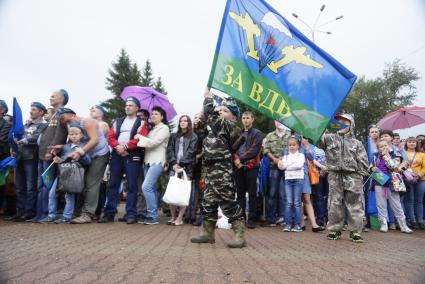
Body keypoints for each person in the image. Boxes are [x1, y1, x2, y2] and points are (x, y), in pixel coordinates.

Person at [191, 89, 246, 248]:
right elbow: (201, 134)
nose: (220, 111)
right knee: (208, 201)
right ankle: (208, 233)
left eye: (225, 110)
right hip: (208, 168)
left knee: (227, 201)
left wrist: (208, 100)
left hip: (222, 169)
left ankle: (240, 234)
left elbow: (213, 117)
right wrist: (200, 122)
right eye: (220, 109)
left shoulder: (230, 127)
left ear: (233, 117)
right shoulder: (216, 127)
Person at [55, 108, 110, 224]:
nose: (63, 122)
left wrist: (79, 152)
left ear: (72, 115)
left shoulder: (87, 122)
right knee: (82, 182)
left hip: (99, 155)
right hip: (87, 156)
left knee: (91, 183)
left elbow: (94, 140)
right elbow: (77, 141)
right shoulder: (72, 125)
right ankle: (81, 212)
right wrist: (62, 146)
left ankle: (87, 214)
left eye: (63, 118)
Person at [98, 97, 148, 224]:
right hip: (117, 155)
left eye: (131, 105)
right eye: (126, 105)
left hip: (132, 155)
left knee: (132, 186)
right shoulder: (118, 121)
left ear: (137, 108)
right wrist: (118, 147)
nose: (127, 107)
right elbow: (111, 136)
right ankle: (109, 213)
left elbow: (140, 138)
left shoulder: (142, 123)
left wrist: (125, 147)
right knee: (113, 184)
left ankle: (131, 214)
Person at [320, 114, 369, 243]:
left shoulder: (357, 143)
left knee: (355, 204)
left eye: (345, 122)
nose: (341, 124)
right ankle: (335, 229)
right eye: (338, 122)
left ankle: (355, 232)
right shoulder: (328, 139)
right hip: (335, 175)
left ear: (351, 126)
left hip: (352, 176)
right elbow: (314, 138)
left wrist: (360, 175)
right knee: (334, 203)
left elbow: (363, 161)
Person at [32, 89, 69, 223]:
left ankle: (47, 213)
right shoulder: (53, 114)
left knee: (46, 185)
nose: (50, 98)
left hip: (49, 154)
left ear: (62, 99)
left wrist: (52, 150)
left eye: (53, 96)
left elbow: (60, 134)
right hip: (42, 154)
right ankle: (40, 213)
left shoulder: (62, 113)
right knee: (40, 185)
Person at [49, 123, 92, 224]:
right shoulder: (66, 147)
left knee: (69, 196)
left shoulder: (84, 147)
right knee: (52, 193)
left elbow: (88, 162)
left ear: (82, 135)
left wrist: (82, 154)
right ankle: (51, 215)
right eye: (71, 134)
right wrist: (58, 159)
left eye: (76, 134)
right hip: (62, 173)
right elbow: (63, 160)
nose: (73, 136)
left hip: (73, 175)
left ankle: (67, 216)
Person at [11, 102, 47, 221]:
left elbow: (37, 137)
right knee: (19, 186)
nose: (31, 111)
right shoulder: (26, 124)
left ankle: (29, 212)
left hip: (31, 158)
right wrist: (14, 147)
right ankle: (19, 211)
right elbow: (17, 137)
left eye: (34, 109)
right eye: (31, 109)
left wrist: (24, 140)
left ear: (41, 112)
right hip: (19, 157)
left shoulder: (43, 125)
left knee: (31, 186)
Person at [136, 106, 170, 225]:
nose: (153, 115)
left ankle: (151, 215)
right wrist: (140, 131)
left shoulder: (164, 128)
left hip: (158, 161)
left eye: (156, 113)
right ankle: (153, 215)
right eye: (152, 113)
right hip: (147, 161)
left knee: (146, 187)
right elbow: (145, 141)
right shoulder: (151, 129)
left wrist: (140, 137)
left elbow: (154, 143)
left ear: (162, 116)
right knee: (153, 189)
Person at [371, 139, 412, 233]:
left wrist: (386, 156)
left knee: (397, 205)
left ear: (389, 146)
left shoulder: (395, 155)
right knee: (381, 205)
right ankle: (383, 224)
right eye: (381, 146)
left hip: (392, 183)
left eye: (385, 145)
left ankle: (403, 225)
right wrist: (372, 168)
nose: (384, 147)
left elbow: (394, 167)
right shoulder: (375, 156)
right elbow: (370, 167)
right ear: (378, 149)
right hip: (379, 182)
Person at [234, 111, 264, 229]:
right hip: (238, 167)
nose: (245, 120)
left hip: (251, 167)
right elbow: (234, 148)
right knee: (240, 193)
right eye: (243, 118)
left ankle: (252, 219)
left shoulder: (257, 133)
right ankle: (241, 218)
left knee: (252, 193)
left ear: (252, 119)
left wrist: (240, 159)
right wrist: (236, 160)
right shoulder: (238, 133)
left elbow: (254, 150)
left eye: (248, 118)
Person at [166, 115, 198, 225]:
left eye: (185, 121)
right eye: (181, 121)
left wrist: (181, 164)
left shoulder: (193, 136)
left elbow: (191, 151)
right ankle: (173, 217)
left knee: (184, 192)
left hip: (187, 168)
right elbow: (169, 150)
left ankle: (180, 218)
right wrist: (174, 163)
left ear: (189, 123)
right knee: (172, 191)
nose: (183, 123)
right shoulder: (174, 135)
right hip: (174, 167)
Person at [262, 121, 290, 226]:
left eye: (281, 121)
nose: (278, 123)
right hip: (273, 167)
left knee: (283, 193)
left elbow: (291, 149)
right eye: (276, 121)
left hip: (286, 167)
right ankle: (271, 218)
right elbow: (266, 150)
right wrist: (275, 159)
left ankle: (282, 217)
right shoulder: (270, 135)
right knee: (272, 193)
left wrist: (282, 159)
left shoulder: (289, 135)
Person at [279, 135, 305, 232]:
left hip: (298, 180)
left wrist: (286, 166)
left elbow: (299, 165)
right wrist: (284, 165)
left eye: (294, 145)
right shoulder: (285, 156)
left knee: (297, 203)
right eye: (290, 145)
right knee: (289, 203)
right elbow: (281, 167)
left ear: (298, 145)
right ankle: (288, 224)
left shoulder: (301, 155)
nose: (291, 147)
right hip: (288, 180)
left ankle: (297, 225)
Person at [401, 136, 425, 229]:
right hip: (408, 179)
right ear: (406, 144)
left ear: (416, 144)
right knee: (409, 199)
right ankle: (411, 219)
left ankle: (420, 220)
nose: (411, 143)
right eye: (409, 142)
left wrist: (419, 174)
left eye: (413, 142)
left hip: (421, 179)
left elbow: (424, 167)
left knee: (419, 200)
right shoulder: (403, 153)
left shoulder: (422, 154)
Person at [190, 112, 207, 226]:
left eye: (199, 118)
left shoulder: (206, 131)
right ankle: (190, 213)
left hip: (202, 162)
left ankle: (200, 214)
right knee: (191, 188)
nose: (197, 119)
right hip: (192, 162)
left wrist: (200, 155)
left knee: (200, 189)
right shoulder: (191, 131)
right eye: (195, 117)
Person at [0, 100, 11, 215]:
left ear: (2, 110)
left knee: (0, 185)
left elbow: (2, 141)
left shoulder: (6, 125)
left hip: (1, 159)